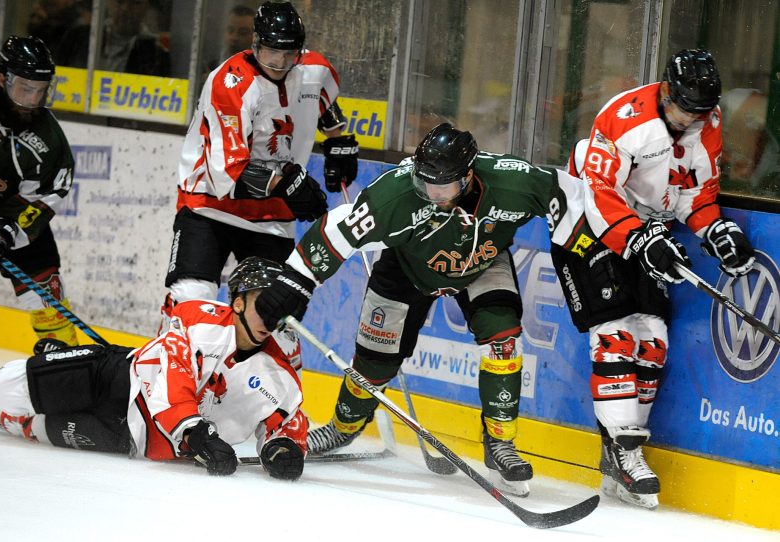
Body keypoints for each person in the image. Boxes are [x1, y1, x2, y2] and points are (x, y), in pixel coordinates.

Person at [252, 122, 599, 497]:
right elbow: (336, 231)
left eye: (442, 186)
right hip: (405, 270)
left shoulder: (511, 181)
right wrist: (295, 282)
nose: (431, 193)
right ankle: (344, 426)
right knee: (374, 364)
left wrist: (590, 250)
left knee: (504, 342)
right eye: (425, 182)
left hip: (483, 265)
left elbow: (566, 194)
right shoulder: (396, 194)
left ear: (468, 176)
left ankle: (500, 443)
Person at [553, 49, 756, 509]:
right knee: (617, 337)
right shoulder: (625, 120)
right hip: (584, 226)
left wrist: (714, 227)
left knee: (653, 339)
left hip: (645, 227)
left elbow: (693, 190)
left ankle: (618, 454)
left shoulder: (709, 122)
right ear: (666, 90)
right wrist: (641, 239)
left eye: (700, 111)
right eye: (685, 107)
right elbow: (599, 194)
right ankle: (626, 452)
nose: (691, 119)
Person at [0, 256, 309, 481]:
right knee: (7, 385)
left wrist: (282, 448)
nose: (271, 317)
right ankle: (63, 357)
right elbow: (172, 376)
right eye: (262, 303)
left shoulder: (281, 370)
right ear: (237, 302)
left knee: (36, 427)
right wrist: (194, 433)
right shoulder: (197, 317)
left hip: (128, 440)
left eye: (277, 308)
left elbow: (286, 421)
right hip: (116, 378)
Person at [161, 1, 358, 338]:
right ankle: (170, 380)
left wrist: (338, 144)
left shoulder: (313, 69)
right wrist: (288, 186)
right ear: (256, 45)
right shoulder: (230, 83)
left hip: (270, 216)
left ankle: (253, 387)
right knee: (190, 304)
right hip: (210, 206)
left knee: (274, 317)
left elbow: (323, 101)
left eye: (288, 53)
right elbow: (229, 172)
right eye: (270, 52)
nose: (279, 63)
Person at [0, 35, 79, 350]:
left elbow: (40, 202)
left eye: (40, 91)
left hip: (1, 212)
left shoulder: (50, 144)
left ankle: (63, 358)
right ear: (3, 79)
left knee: (44, 282)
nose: (32, 100)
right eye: (24, 89)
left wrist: (6, 233)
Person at [54, 0, 170, 76]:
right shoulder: (78, 37)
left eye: (135, 2)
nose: (125, 8)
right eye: (119, 1)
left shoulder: (155, 51)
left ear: (147, 7)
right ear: (108, 3)